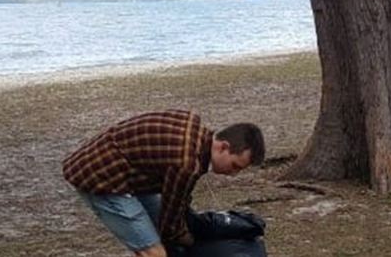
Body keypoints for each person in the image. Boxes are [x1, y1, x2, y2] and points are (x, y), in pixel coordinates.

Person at [63, 110, 266, 257]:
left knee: (154, 234)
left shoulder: (195, 128)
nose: (233, 174)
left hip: (130, 172)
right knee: (154, 251)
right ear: (223, 147)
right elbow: (171, 227)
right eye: (235, 166)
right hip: (101, 176)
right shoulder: (187, 164)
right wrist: (194, 242)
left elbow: (175, 207)